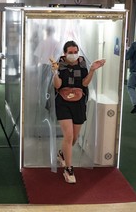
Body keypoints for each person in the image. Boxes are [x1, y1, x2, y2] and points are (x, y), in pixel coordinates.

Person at [51, 41, 105, 184]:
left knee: (74, 138)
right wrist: (55, 72)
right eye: (70, 52)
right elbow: (57, 85)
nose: (73, 54)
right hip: (62, 102)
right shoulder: (59, 65)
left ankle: (62, 154)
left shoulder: (82, 64)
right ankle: (69, 169)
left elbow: (85, 83)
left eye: (76, 52)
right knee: (68, 136)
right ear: (64, 53)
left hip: (79, 102)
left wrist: (92, 70)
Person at [125, 40, 136, 114]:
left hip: (135, 70)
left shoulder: (135, 45)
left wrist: (127, 49)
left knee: (130, 87)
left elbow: (127, 56)